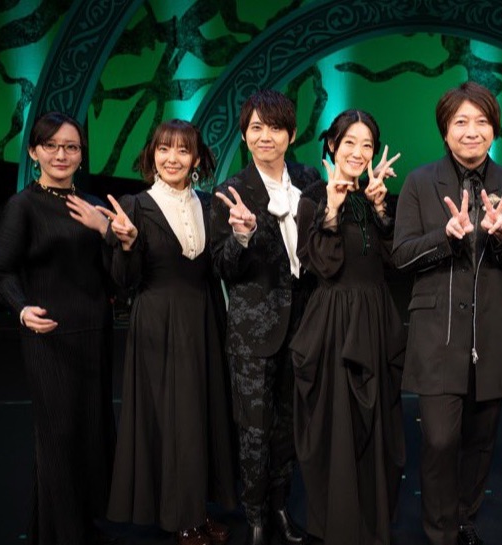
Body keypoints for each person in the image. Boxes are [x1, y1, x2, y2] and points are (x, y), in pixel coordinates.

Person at [392, 81, 502, 545]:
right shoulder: (419, 183)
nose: (471, 131)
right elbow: (401, 257)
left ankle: (463, 520)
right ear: (445, 130)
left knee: (480, 441)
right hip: (437, 335)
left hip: (493, 334)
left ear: (494, 129)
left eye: (481, 121)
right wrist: (444, 236)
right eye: (461, 121)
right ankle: (440, 532)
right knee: (439, 440)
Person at [0, 111, 116, 545]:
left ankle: (68, 528)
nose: (61, 154)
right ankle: (65, 534)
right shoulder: (23, 205)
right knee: (59, 437)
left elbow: (116, 272)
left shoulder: (94, 204)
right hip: (49, 337)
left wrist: (109, 232)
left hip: (94, 335)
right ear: (35, 151)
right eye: (51, 145)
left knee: (91, 435)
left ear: (81, 154)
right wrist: (20, 309)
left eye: (71, 146)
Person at [102, 119, 236, 545]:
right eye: (163, 149)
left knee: (201, 415)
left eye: (182, 150)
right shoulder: (136, 206)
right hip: (158, 323)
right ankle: (181, 518)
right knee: (174, 419)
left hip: (204, 318)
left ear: (196, 159)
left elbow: (219, 266)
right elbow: (124, 281)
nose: (172, 158)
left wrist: (243, 236)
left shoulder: (209, 204)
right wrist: (125, 245)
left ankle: (197, 510)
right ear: (152, 154)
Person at [209, 89, 322, 545]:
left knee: (288, 428)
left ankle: (280, 508)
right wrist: (241, 238)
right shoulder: (230, 190)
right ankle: (255, 517)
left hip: (304, 325)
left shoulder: (309, 179)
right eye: (256, 127)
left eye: (275, 127)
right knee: (254, 430)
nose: (265, 136)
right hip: (253, 332)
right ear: (244, 135)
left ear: (290, 135)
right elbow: (221, 266)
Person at [289, 109, 406, 545]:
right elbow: (323, 266)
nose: (358, 152)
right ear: (332, 146)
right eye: (350, 143)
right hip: (335, 324)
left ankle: (372, 523)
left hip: (375, 318)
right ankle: (338, 524)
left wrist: (380, 208)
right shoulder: (312, 200)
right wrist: (333, 210)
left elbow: (394, 260)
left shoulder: (375, 196)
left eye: (367, 145)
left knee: (377, 425)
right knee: (337, 425)